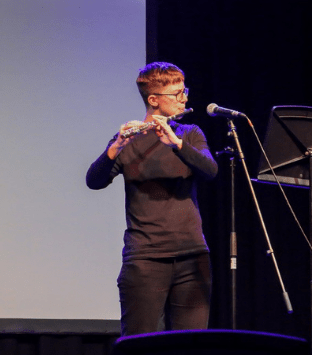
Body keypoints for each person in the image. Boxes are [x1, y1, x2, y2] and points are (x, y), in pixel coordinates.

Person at [86, 62, 218, 336]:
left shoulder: (189, 134)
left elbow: (210, 170)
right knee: (140, 343)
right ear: (154, 100)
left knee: (191, 346)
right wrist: (116, 147)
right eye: (177, 93)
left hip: (193, 258)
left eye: (184, 91)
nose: (185, 98)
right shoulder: (129, 140)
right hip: (145, 260)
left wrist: (177, 145)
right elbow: (94, 181)